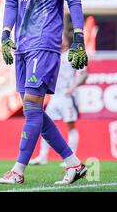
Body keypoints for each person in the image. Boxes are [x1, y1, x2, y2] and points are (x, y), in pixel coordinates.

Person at [0, 0, 88, 185]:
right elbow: (11, 1)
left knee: (33, 107)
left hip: (45, 42)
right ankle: (74, 164)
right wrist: (4, 34)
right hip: (22, 45)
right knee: (31, 110)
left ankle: (18, 170)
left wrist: (79, 36)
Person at [29, 33, 88, 166]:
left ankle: (71, 158)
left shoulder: (71, 55)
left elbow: (84, 74)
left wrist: (73, 88)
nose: (57, 40)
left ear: (66, 41)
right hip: (55, 97)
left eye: (60, 38)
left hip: (68, 96)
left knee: (70, 125)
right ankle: (43, 156)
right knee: (44, 124)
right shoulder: (52, 56)